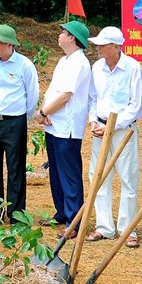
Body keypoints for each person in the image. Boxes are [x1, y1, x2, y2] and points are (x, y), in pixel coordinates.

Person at [85, 26, 142, 247]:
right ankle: (104, 227)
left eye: (102, 45)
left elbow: (135, 106)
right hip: (100, 128)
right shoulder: (97, 67)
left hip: (122, 129)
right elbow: (93, 98)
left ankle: (128, 229)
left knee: (128, 177)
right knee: (98, 177)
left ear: (116, 47)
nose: (97, 48)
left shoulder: (132, 68)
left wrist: (112, 126)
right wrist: (93, 120)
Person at [0, 24, 40, 225]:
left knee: (16, 168)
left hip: (14, 122)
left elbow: (32, 96)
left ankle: (16, 213)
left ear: (9, 45)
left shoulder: (24, 65)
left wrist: (23, 117)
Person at [37, 22, 91, 236]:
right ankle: (61, 212)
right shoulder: (63, 60)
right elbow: (53, 90)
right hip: (54, 123)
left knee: (69, 174)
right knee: (56, 172)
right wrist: (46, 111)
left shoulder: (79, 63)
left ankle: (74, 220)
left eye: (63, 33)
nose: (59, 35)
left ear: (72, 38)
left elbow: (65, 96)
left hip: (67, 127)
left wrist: (42, 114)